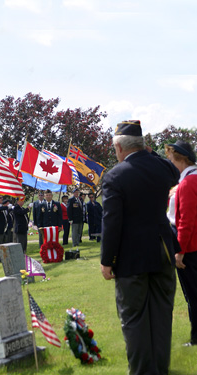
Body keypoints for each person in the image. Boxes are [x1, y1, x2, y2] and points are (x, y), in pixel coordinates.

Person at [101, 120, 180, 375]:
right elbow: (173, 170)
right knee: (161, 317)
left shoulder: (115, 176)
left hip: (131, 256)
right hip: (162, 251)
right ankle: (160, 370)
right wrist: (148, 151)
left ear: (119, 147)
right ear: (143, 145)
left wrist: (107, 259)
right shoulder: (162, 169)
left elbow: (112, 221)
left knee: (134, 320)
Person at [165, 140, 197, 346]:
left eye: (171, 159)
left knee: (193, 294)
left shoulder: (187, 183)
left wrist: (180, 250)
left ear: (180, 159)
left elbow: (186, 220)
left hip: (191, 248)